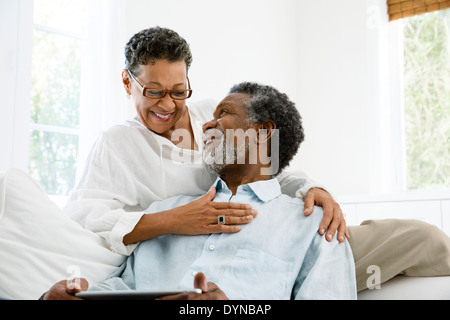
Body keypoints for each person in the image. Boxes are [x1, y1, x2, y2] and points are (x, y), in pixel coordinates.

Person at [44, 82, 357, 300]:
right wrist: (62, 296)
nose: (207, 125)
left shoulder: (316, 228)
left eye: (223, 114)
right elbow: (119, 290)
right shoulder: (165, 212)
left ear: (263, 132)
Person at [63, 26, 348, 258]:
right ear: (127, 83)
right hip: (192, 255)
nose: (167, 105)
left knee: (358, 242)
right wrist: (173, 220)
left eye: (178, 91)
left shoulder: (209, 114)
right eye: (154, 91)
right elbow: (83, 219)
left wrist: (310, 187)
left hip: (258, 238)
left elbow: (261, 165)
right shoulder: (116, 144)